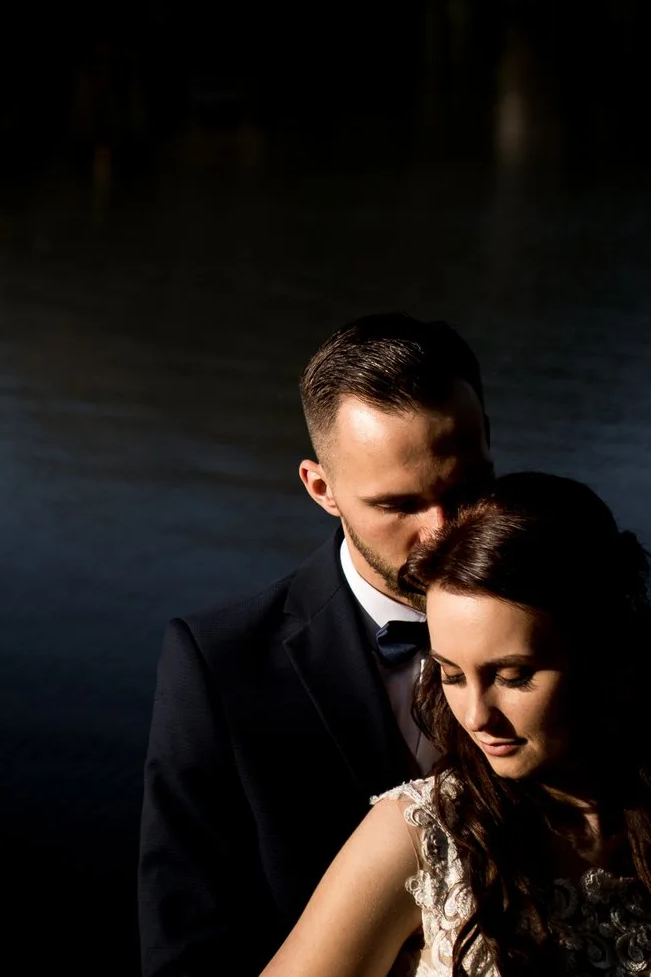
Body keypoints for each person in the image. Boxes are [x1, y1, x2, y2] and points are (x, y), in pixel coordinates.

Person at [259, 473, 651, 977]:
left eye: (512, 676)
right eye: (450, 674)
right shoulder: (419, 840)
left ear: (603, 656)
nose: (475, 716)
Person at [140, 315, 495, 977]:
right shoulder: (220, 666)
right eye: (400, 504)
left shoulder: (581, 622)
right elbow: (188, 948)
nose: (443, 532)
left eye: (466, 489)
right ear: (321, 488)